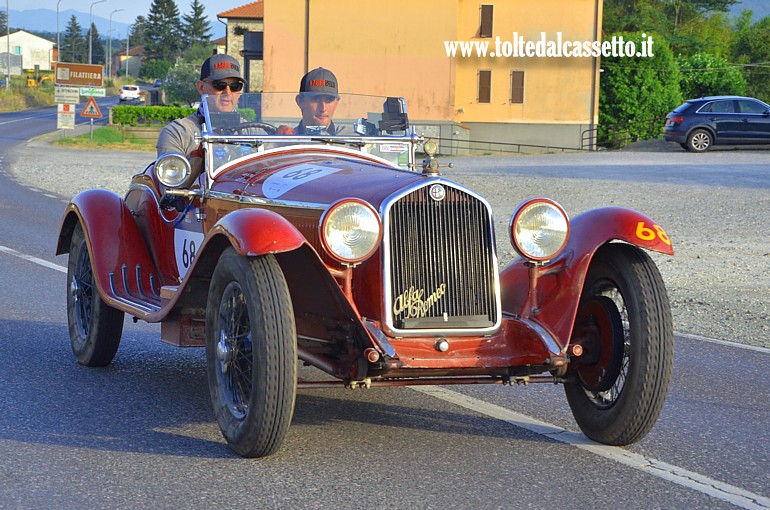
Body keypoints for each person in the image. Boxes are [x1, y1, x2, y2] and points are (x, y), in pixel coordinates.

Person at [156, 54, 246, 157]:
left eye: (235, 86)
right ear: (201, 87)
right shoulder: (178, 133)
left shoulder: (254, 132)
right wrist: (199, 159)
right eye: (219, 85)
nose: (228, 92)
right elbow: (170, 170)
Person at [293, 67, 341, 135]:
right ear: (300, 101)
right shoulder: (287, 140)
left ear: (337, 103)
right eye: (315, 99)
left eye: (328, 100)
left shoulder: (351, 142)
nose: (323, 108)